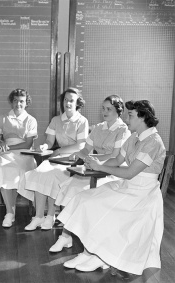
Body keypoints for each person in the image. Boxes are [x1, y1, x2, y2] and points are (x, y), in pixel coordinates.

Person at [57, 100, 165, 276]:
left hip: (142, 194)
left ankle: (101, 256)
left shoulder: (154, 142)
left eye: (131, 115)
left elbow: (130, 172)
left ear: (143, 117)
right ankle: (89, 252)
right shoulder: (134, 137)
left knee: (102, 205)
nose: (127, 118)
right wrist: (95, 163)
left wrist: (100, 167)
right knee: (85, 198)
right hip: (128, 187)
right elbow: (116, 161)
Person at [50, 94, 131, 252]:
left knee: (84, 193)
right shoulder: (99, 128)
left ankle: (82, 240)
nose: (104, 112)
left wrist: (91, 158)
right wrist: (74, 156)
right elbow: (85, 150)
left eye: (109, 109)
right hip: (94, 170)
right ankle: (66, 237)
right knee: (71, 187)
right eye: (103, 108)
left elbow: (115, 156)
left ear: (118, 111)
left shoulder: (123, 130)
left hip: (114, 173)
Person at [18, 88, 89, 231]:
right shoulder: (56, 120)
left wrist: (58, 151)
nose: (68, 103)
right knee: (38, 173)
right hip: (57, 158)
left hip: (74, 160)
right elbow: (49, 142)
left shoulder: (82, 121)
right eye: (65, 100)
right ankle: (39, 217)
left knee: (50, 176)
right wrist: (45, 146)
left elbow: (81, 145)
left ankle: (50, 216)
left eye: (71, 100)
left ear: (77, 103)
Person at [0, 88, 38, 228]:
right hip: (6, 153)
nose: (18, 104)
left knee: (16, 170)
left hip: (24, 153)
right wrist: (1, 143)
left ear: (26, 103)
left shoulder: (31, 120)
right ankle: (10, 212)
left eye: (21, 101)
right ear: (11, 102)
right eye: (15, 101)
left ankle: (10, 212)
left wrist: (9, 148)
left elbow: (28, 143)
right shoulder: (3, 118)